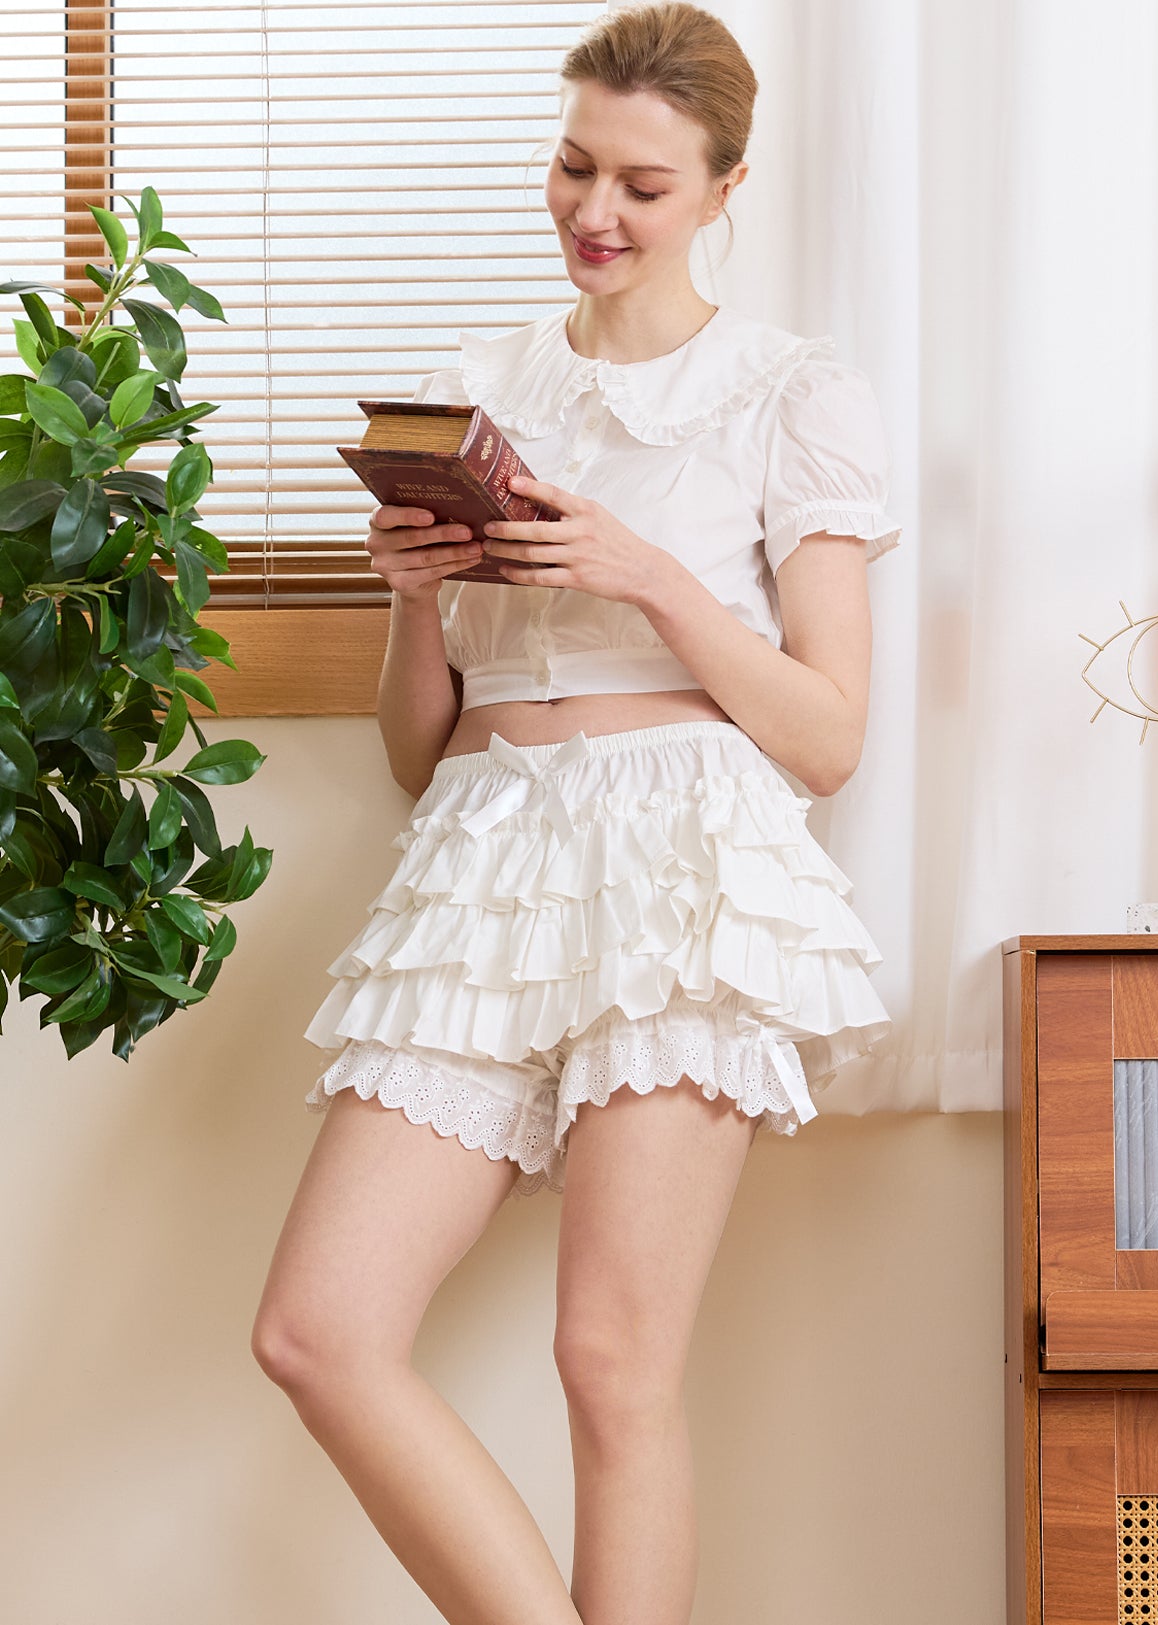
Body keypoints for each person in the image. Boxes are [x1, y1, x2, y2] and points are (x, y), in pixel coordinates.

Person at [251, 3, 901, 1622]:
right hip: (482, 859)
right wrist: (411, 599)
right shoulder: (475, 387)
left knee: (611, 1363)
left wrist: (644, 572)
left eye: (641, 185)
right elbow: (423, 756)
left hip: (680, 857)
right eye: (569, 167)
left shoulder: (788, 392)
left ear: (725, 186)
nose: (592, 213)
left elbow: (825, 735)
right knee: (317, 1332)